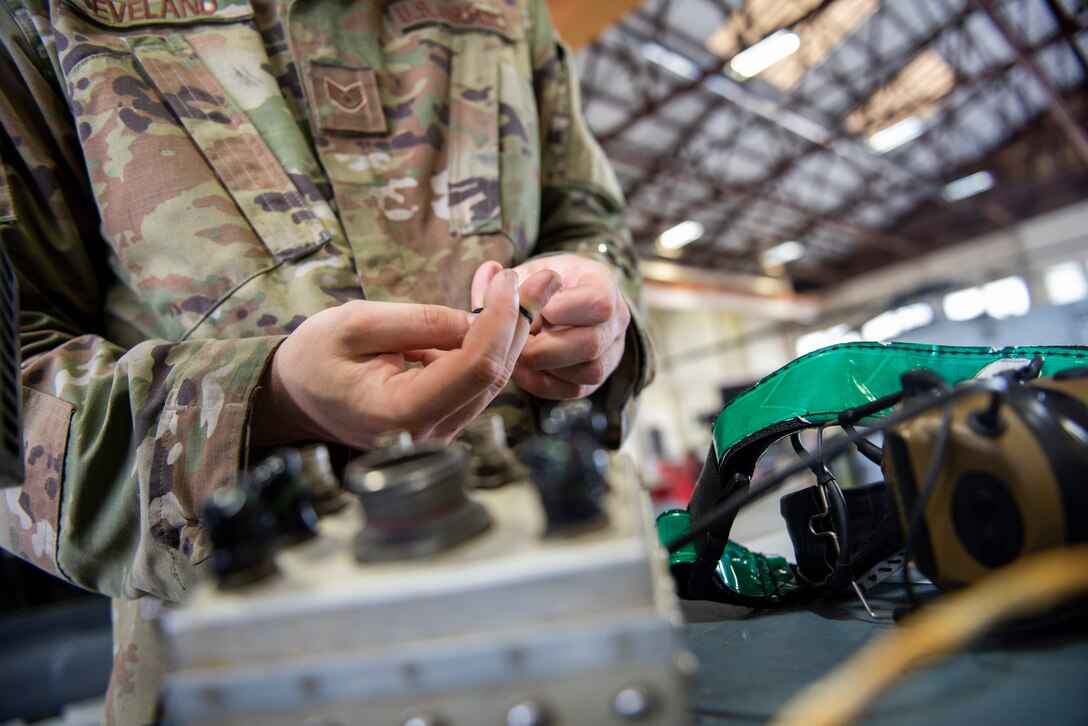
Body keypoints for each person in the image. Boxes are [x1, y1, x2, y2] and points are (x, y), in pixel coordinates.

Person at [0, 0, 653, 721]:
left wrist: (593, 291)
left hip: (557, 629)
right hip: (252, 673)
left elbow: (589, 219)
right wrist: (265, 400)